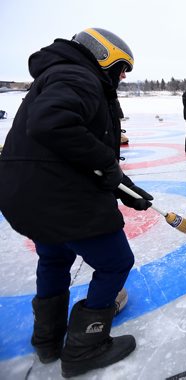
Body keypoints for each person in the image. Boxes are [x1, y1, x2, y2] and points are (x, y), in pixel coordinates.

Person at [0, 28, 153, 377]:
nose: (124, 75)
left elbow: (74, 150)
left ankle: (47, 341)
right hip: (59, 196)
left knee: (54, 257)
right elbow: (52, 124)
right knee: (116, 262)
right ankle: (86, 346)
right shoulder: (78, 76)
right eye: (122, 66)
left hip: (29, 195)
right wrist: (110, 168)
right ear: (104, 56)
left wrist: (121, 184)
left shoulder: (60, 72)